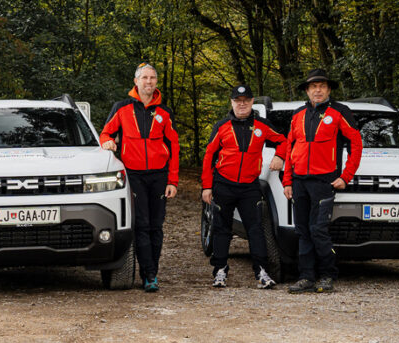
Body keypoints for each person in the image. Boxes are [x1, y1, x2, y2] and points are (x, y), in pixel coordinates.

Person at [100, 63, 180, 292]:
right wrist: (107, 141)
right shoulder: (122, 108)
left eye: (153, 78)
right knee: (142, 225)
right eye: (144, 77)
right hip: (133, 174)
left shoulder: (164, 112)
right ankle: (149, 275)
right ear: (136, 81)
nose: (149, 81)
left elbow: (174, 146)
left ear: (156, 82)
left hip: (159, 176)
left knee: (157, 226)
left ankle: (151, 269)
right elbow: (106, 132)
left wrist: (173, 180)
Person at [283, 69, 363, 293]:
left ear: (328, 89)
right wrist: (287, 180)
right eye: (313, 86)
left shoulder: (339, 112)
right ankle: (306, 277)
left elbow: (356, 144)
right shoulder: (298, 114)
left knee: (318, 229)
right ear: (307, 90)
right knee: (302, 230)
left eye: (322, 86)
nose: (317, 90)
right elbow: (290, 147)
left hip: (324, 181)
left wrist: (346, 176)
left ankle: (327, 275)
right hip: (299, 181)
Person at [201, 85, 288, 289]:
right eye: (237, 100)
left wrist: (279, 155)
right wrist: (207, 186)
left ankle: (261, 271)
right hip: (224, 184)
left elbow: (284, 141)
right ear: (231, 102)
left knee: (255, 229)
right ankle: (220, 270)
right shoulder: (221, 126)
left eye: (246, 100)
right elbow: (208, 156)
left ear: (251, 102)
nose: (242, 104)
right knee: (222, 229)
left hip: (249, 186)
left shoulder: (262, 125)